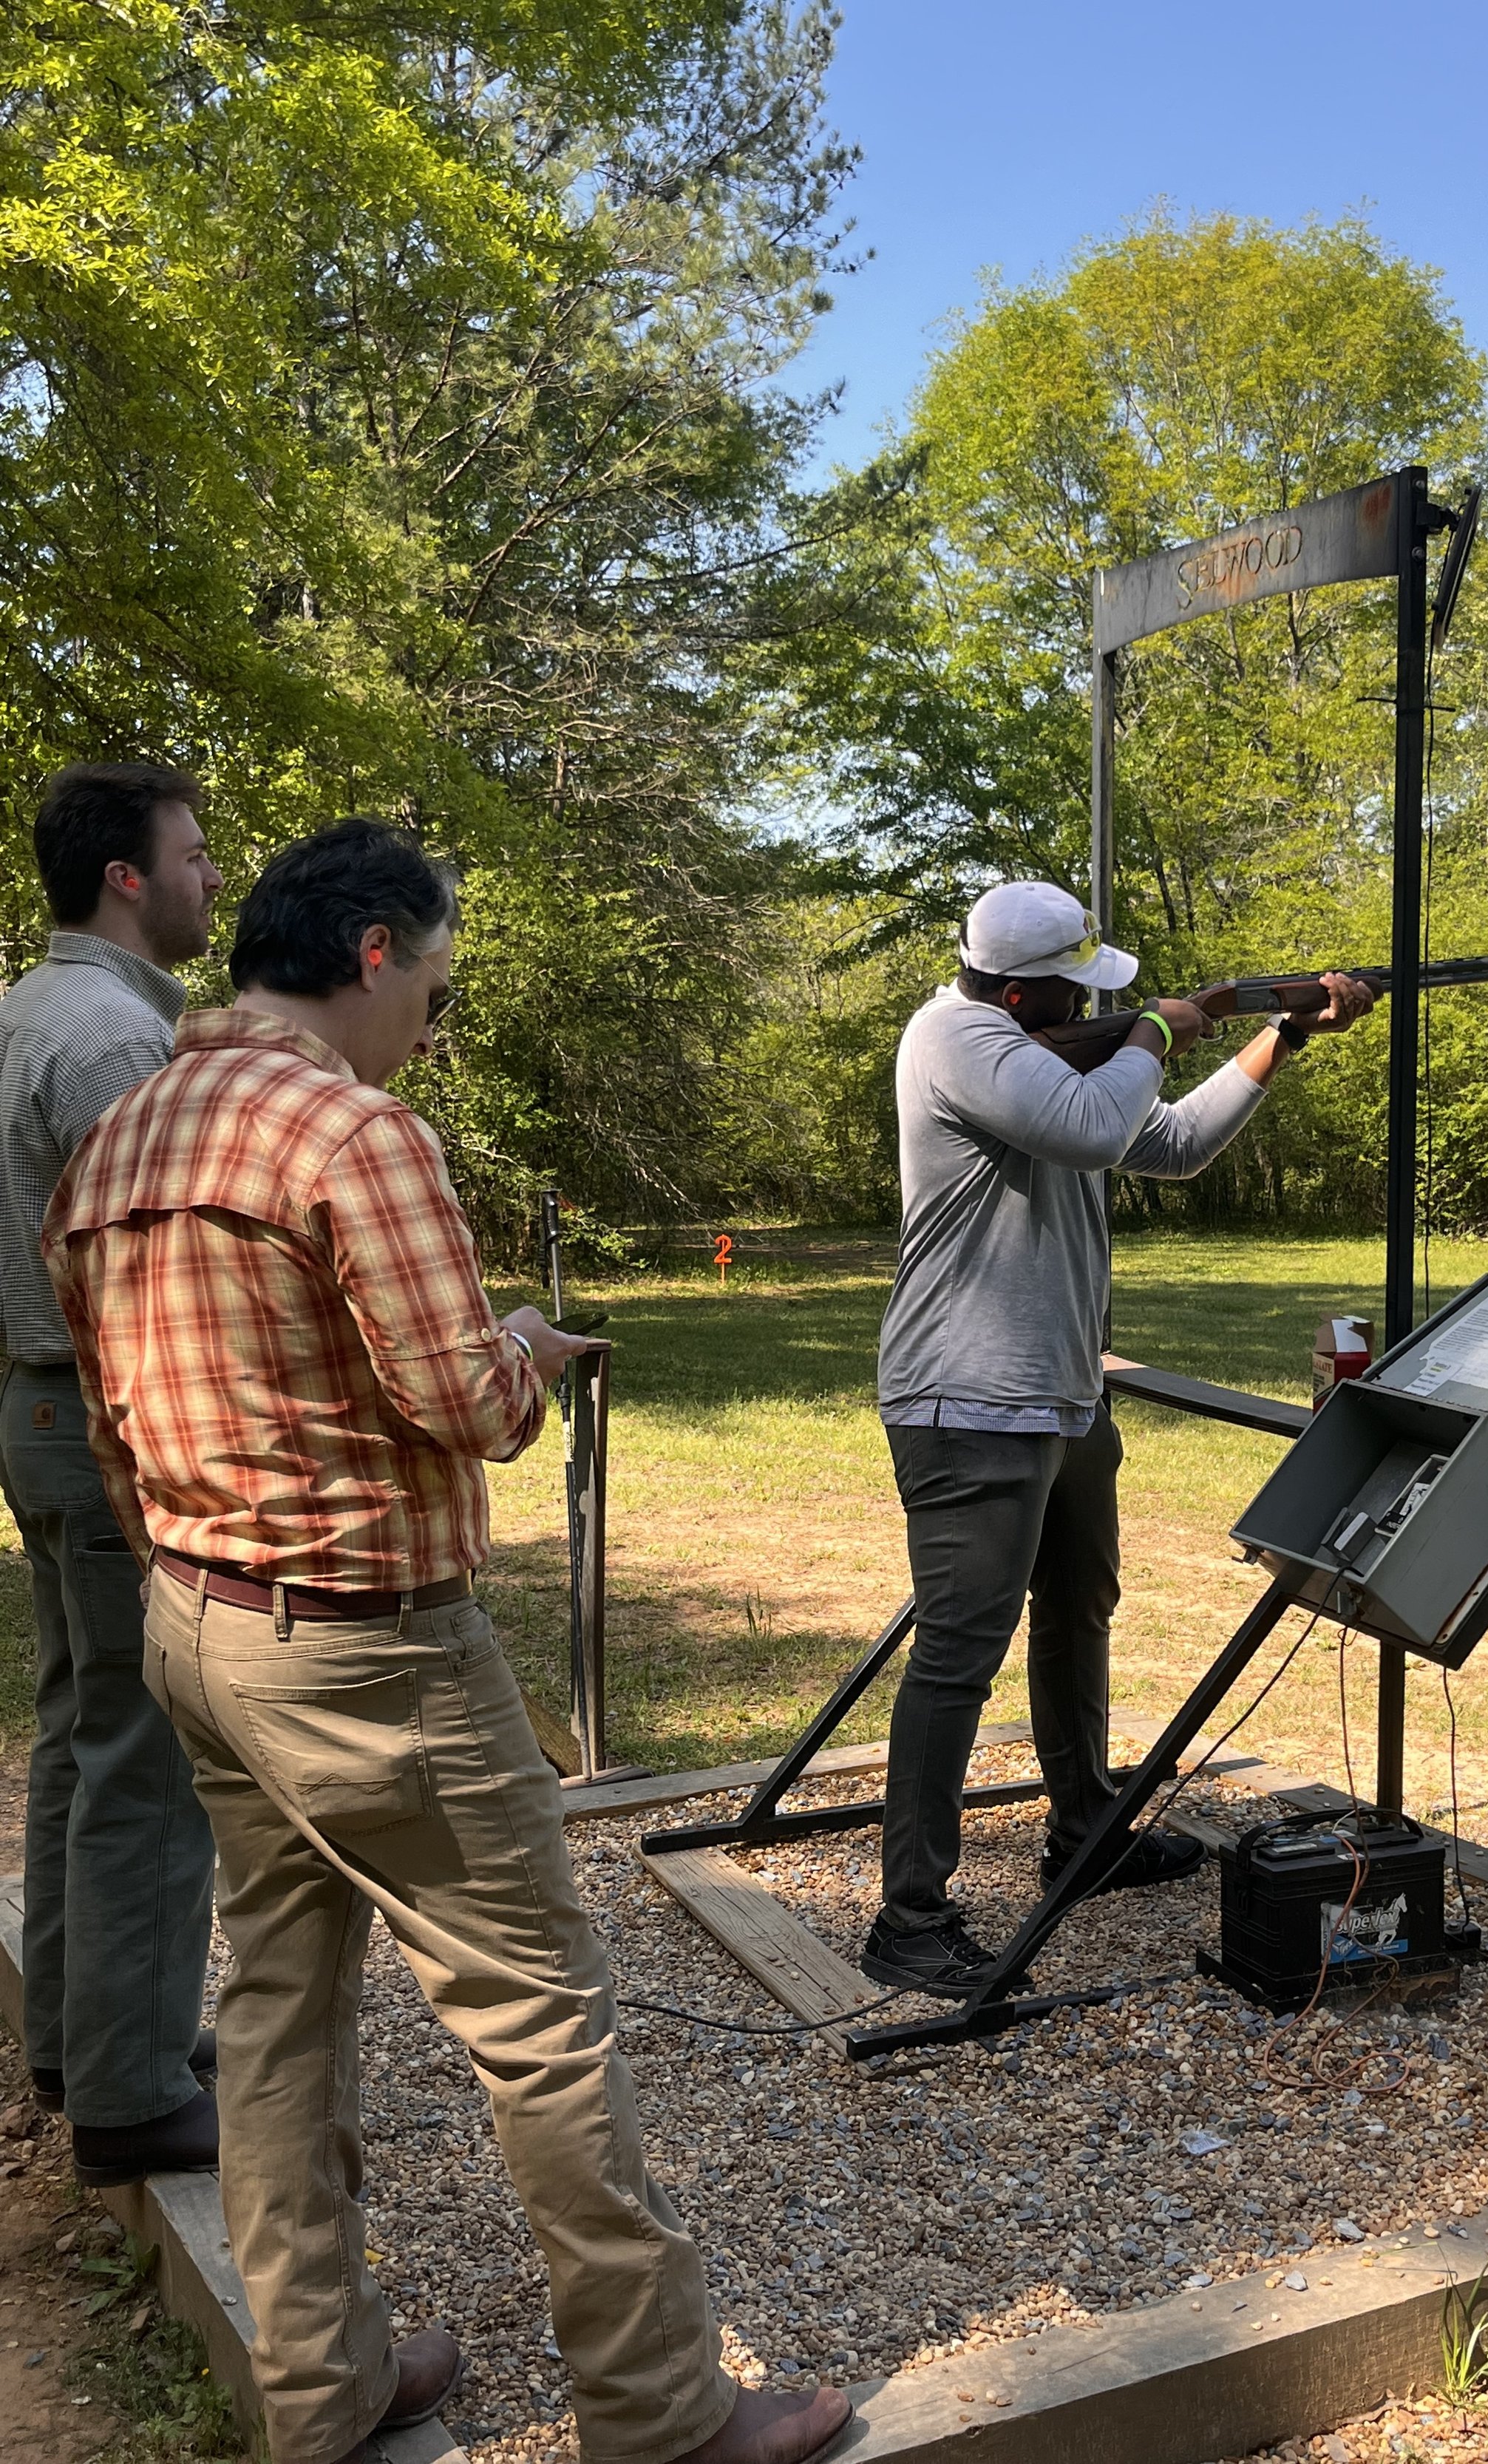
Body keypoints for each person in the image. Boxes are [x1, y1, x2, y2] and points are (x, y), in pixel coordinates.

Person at [44, 818, 850, 2464]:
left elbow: (112, 1420)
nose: (432, 1016)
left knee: (279, 2013)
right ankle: (661, 2410)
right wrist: (526, 1344)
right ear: (372, 953)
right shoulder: (355, 1131)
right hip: (374, 1653)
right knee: (544, 2022)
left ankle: (321, 2390)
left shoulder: (121, 1138)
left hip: (198, 1625)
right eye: (436, 981)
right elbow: (467, 1401)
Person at [863, 879, 1374, 1995]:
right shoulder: (956, 1038)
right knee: (958, 1655)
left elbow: (1173, 1144)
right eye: (1077, 992)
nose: (1097, 1008)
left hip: (1062, 1396)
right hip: (970, 1400)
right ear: (1017, 994)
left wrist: (1282, 1035)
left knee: (1079, 1607)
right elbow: (1097, 1124)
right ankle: (909, 1917)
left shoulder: (1045, 1062)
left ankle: (1085, 1829)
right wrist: (1157, 1031)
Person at [0, 761, 224, 2182]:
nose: (213, 875)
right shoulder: (113, 1043)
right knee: (149, 1753)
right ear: (126, 878)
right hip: (103, 1424)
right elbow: (160, 1275)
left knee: (79, 1723)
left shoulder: (31, 1006)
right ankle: (131, 2097)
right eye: (194, 853)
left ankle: (76, 2038)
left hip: (37, 1412)